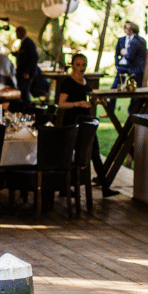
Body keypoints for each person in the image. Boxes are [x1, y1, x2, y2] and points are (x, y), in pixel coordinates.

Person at [57, 53, 112, 196]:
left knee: (95, 153)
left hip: (87, 123)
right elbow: (61, 103)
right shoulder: (68, 82)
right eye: (78, 65)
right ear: (72, 65)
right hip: (73, 123)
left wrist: (97, 101)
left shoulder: (85, 81)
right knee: (71, 156)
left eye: (83, 65)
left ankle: (105, 188)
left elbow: (87, 101)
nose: (81, 68)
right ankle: (64, 188)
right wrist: (77, 104)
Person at [14, 26, 39, 103]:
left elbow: (34, 57)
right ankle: (25, 106)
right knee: (23, 92)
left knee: (23, 92)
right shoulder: (24, 42)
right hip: (22, 72)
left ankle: (26, 106)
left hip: (25, 73)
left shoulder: (29, 43)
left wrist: (27, 72)